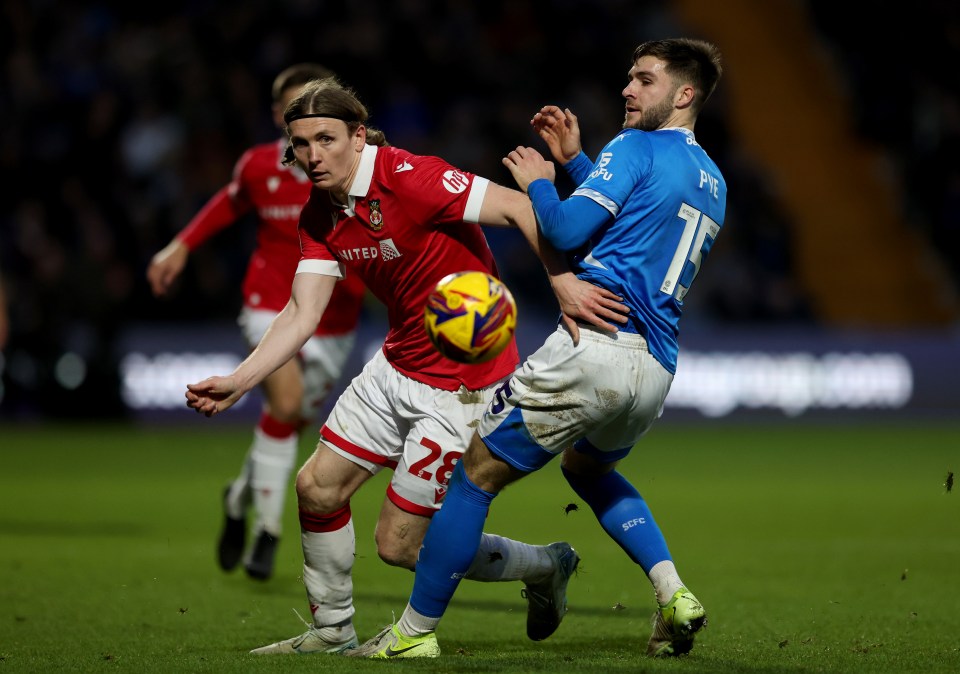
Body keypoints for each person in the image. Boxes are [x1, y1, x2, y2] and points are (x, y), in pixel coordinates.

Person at [185, 78, 627, 654]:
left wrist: (564, 284)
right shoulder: (320, 213)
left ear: (357, 135)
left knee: (400, 545)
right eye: (300, 143)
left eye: (326, 138)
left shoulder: (409, 177)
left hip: (462, 386)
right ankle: (330, 631)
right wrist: (240, 382)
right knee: (316, 489)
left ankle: (544, 566)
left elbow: (519, 205)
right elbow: (301, 312)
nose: (313, 155)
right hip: (395, 367)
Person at [348, 37, 726, 659]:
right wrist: (580, 164)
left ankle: (412, 636)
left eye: (645, 80)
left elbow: (566, 230)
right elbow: (633, 222)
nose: (627, 89)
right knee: (588, 469)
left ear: (685, 94)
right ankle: (673, 591)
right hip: (655, 365)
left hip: (595, 343)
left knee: (473, 478)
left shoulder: (635, 145)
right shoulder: (712, 178)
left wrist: (541, 181)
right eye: (628, 77)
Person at [147, 64, 367, 581]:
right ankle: (267, 532)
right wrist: (181, 245)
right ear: (280, 116)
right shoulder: (257, 168)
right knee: (286, 405)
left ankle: (239, 495)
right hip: (270, 305)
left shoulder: (356, 170)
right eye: (298, 110)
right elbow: (228, 204)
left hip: (337, 321)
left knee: (285, 422)